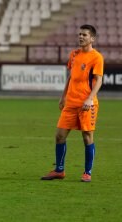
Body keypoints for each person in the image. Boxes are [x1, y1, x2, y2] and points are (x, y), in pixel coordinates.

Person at [41, 24, 103, 183]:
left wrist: (89, 98)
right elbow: (71, 76)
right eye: (80, 34)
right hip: (71, 103)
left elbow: (99, 80)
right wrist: (63, 96)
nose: (81, 37)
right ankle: (59, 170)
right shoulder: (74, 54)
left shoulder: (97, 57)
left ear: (92, 39)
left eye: (84, 35)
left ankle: (87, 172)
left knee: (87, 137)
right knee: (60, 135)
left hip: (86, 104)